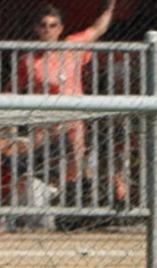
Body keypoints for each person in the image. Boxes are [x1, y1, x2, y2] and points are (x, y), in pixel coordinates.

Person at [18, 2, 117, 183]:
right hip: (45, 125)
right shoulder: (29, 60)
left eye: (53, 25)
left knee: (76, 167)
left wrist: (110, 5)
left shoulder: (72, 47)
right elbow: (14, 89)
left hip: (72, 122)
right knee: (45, 174)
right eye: (43, 25)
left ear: (60, 29)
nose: (48, 30)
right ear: (36, 29)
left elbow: (98, 28)